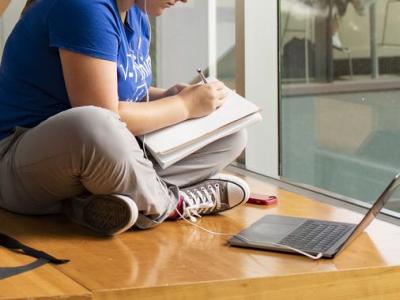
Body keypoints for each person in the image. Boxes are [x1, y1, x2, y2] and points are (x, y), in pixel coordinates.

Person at [0, 0, 249, 236]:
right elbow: (106, 113)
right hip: (18, 162)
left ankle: (95, 204)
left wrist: (168, 96)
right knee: (93, 124)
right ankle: (173, 204)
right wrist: (184, 106)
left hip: (88, 161)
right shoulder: (83, 7)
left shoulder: (136, 13)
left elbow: (122, 94)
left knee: (231, 135)